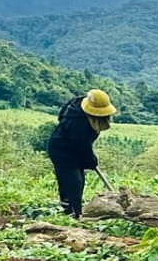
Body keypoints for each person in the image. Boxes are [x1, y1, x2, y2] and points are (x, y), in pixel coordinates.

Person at [48, 88, 116, 217]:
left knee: (79, 181)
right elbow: (82, 145)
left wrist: (89, 160)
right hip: (62, 150)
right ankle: (72, 214)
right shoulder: (76, 122)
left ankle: (75, 211)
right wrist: (91, 161)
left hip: (76, 149)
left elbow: (83, 145)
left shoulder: (79, 102)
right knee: (72, 182)